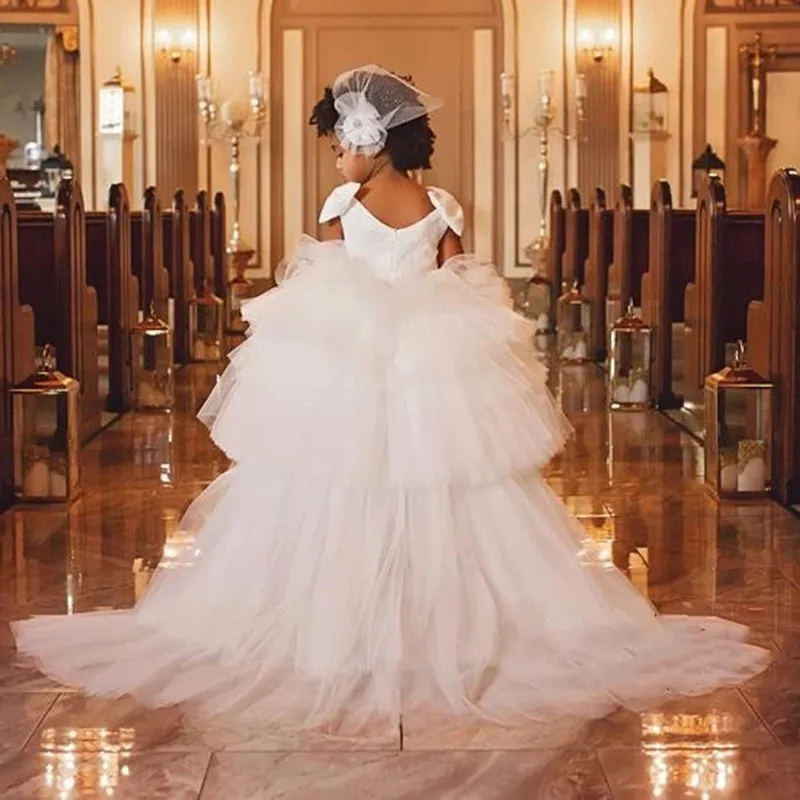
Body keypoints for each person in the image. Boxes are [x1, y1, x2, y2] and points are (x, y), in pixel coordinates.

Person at [13, 65, 769, 731]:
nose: (338, 153)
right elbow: (462, 278)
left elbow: (325, 281)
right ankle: (454, 626)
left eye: (343, 141)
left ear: (372, 142)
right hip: (427, 361)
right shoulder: (441, 207)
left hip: (353, 358)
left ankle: (332, 629)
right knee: (446, 485)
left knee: (333, 482)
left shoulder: (342, 204)